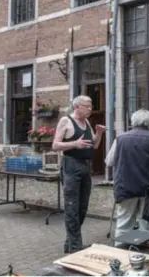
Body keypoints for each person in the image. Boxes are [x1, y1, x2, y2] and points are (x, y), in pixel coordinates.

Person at [105, 109, 149, 244]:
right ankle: (142, 253)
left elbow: (109, 161)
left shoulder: (120, 138)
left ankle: (120, 251)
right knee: (146, 223)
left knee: (124, 223)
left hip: (125, 187)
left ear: (133, 122)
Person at [52, 95, 106, 254]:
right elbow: (55, 145)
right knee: (71, 207)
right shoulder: (66, 121)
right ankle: (75, 247)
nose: (90, 109)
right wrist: (75, 144)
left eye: (90, 106)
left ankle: (70, 244)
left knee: (82, 207)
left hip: (85, 167)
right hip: (71, 165)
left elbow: (94, 146)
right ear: (77, 107)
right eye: (87, 106)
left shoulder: (87, 122)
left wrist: (99, 133)